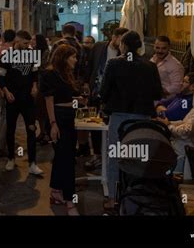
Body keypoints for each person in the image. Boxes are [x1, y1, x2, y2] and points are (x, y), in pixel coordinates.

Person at [99, 31, 162, 210]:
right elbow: (158, 93)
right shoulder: (150, 66)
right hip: (143, 119)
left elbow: (103, 93)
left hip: (119, 118)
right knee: (138, 158)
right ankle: (136, 196)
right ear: (139, 46)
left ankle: (113, 198)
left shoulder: (114, 64)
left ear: (123, 46)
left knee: (115, 157)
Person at [40, 44, 83, 215]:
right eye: (73, 56)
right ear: (64, 57)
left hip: (68, 116)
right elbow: (49, 100)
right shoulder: (50, 73)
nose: (75, 60)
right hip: (58, 118)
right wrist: (53, 124)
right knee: (67, 161)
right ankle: (70, 201)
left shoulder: (66, 73)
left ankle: (56, 192)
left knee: (62, 157)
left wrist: (77, 100)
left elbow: (65, 97)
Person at [81, 27, 129, 170]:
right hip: (95, 91)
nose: (120, 43)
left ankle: (111, 155)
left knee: (111, 125)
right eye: (118, 39)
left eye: (123, 41)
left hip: (114, 95)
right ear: (113, 37)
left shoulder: (125, 54)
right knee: (93, 124)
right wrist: (85, 82)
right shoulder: (99, 47)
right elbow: (89, 65)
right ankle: (97, 154)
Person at [0, 30, 43, 175]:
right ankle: (11, 158)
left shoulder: (32, 54)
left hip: (28, 98)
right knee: (10, 129)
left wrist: (35, 86)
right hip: (12, 98)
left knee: (31, 129)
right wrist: (5, 91)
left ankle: (32, 163)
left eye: (29, 43)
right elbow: (0, 75)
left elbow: (35, 72)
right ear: (17, 40)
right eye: (25, 43)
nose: (28, 45)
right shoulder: (6, 55)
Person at [0, 29, 16, 156]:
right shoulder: (10, 52)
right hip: (6, 88)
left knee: (3, 115)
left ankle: (3, 143)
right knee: (7, 116)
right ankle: (2, 145)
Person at [32, 34, 51, 145]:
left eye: (34, 39)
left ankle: (47, 133)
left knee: (44, 110)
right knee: (38, 111)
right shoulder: (32, 51)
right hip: (35, 83)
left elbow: (43, 68)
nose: (32, 41)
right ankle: (42, 132)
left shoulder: (46, 53)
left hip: (42, 84)